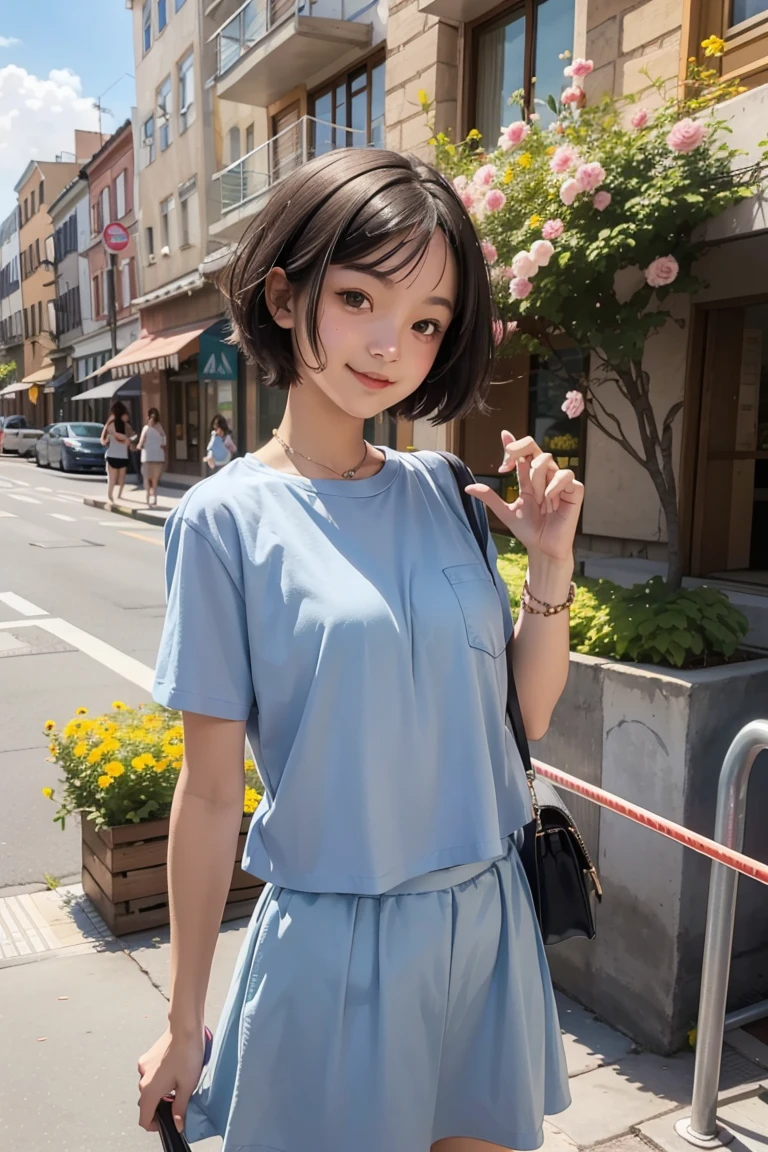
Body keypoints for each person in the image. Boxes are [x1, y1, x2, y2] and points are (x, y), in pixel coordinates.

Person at [138, 148, 584, 1152]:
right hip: (336, 945)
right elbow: (209, 795)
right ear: (288, 296)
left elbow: (525, 718)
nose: (392, 344)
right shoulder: (224, 522)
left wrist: (550, 565)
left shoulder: (445, 493)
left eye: (426, 321)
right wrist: (182, 1021)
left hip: (488, 925)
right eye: (359, 297)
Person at [100, 400, 134, 506]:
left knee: (112, 479)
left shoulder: (110, 425)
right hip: (123, 455)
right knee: (121, 479)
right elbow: (132, 437)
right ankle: (119, 495)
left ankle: (110, 496)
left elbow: (104, 440)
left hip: (112, 455)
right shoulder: (126, 426)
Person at [137, 407, 166, 508]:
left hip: (147, 457)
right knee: (154, 480)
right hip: (158, 457)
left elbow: (140, 443)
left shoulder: (146, 428)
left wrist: (139, 446)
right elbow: (164, 443)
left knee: (147, 478)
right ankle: (154, 498)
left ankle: (148, 499)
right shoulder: (160, 429)